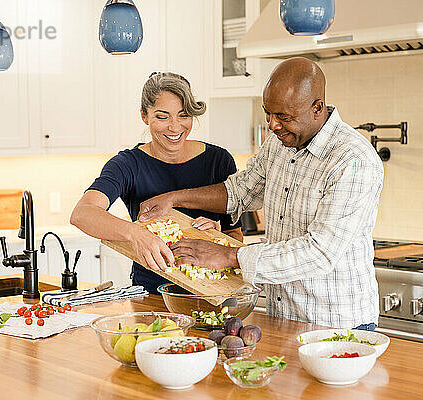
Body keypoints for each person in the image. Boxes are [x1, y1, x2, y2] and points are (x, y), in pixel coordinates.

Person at [137, 58, 384, 330]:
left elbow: (319, 252)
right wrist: (174, 198)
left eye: (284, 117)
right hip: (283, 316)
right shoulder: (280, 144)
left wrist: (228, 256)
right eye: (269, 114)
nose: (273, 126)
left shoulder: (352, 159)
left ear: (317, 108)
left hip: (335, 324)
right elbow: (239, 191)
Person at [70, 72, 242, 294]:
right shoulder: (127, 164)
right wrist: (136, 234)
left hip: (215, 293)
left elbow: (236, 238)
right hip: (152, 293)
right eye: (162, 117)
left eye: (183, 115)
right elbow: (82, 214)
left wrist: (217, 237)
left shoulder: (219, 161)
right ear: (144, 116)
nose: (174, 127)